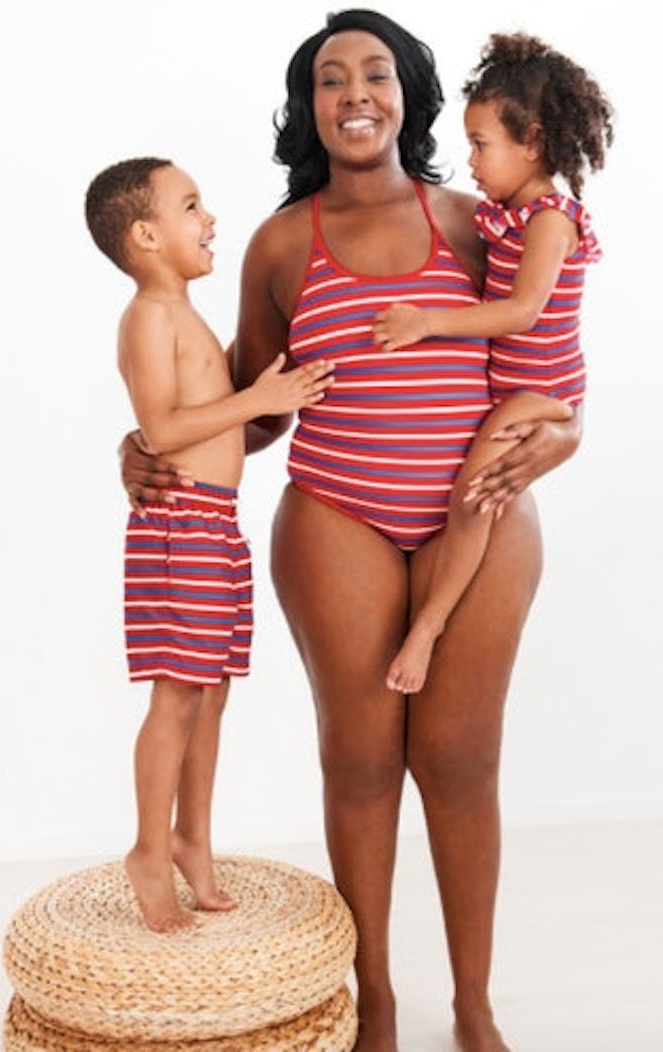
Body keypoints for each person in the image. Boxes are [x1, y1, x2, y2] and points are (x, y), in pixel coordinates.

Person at [120, 11, 584, 1049]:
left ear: (412, 94)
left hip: (483, 514)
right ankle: (372, 994)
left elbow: (548, 350)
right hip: (337, 515)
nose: (355, 92)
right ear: (308, 107)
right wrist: (140, 445)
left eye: (376, 73)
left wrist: (567, 436)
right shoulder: (283, 242)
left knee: (461, 759)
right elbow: (243, 396)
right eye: (331, 79)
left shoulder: (480, 219)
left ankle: (472, 1003)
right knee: (362, 758)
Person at [85, 157, 332, 933]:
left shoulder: (187, 318)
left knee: (212, 691)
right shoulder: (149, 319)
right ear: (147, 235)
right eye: (192, 207)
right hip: (179, 526)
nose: (211, 219)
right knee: (176, 695)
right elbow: (161, 428)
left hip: (218, 524)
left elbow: (219, 417)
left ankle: (194, 835)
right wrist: (259, 397)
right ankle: (148, 851)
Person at [372, 32, 613, 693]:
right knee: (471, 497)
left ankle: (427, 630)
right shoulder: (507, 215)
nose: (471, 161)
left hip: (539, 391)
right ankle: (426, 625)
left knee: (472, 500)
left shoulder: (549, 221)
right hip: (515, 387)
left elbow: (522, 313)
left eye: (481, 145)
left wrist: (425, 324)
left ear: (531, 142)